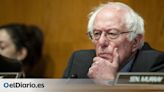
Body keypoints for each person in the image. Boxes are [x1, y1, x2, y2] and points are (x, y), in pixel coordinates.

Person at [63, 2, 164, 80]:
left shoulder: (155, 64)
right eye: (97, 34)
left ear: (135, 41)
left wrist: (111, 84)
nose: (102, 42)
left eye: (112, 34)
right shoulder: (80, 61)